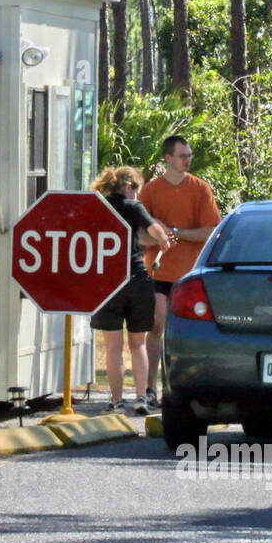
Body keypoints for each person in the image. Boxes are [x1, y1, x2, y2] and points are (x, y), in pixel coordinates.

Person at [137, 136, 222, 408]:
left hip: (191, 276)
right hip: (158, 272)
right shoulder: (150, 191)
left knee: (189, 332)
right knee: (157, 324)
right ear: (168, 159)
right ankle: (149, 386)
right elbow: (140, 234)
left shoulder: (200, 189)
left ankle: (185, 388)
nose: (187, 160)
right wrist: (159, 236)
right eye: (182, 155)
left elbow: (211, 230)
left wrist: (177, 233)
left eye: (189, 155)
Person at [89, 166, 174, 414]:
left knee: (113, 348)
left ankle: (115, 402)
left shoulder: (99, 205)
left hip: (107, 284)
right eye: (138, 190)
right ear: (129, 187)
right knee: (138, 345)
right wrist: (164, 241)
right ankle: (140, 397)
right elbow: (156, 230)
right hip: (136, 280)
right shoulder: (133, 207)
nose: (138, 196)